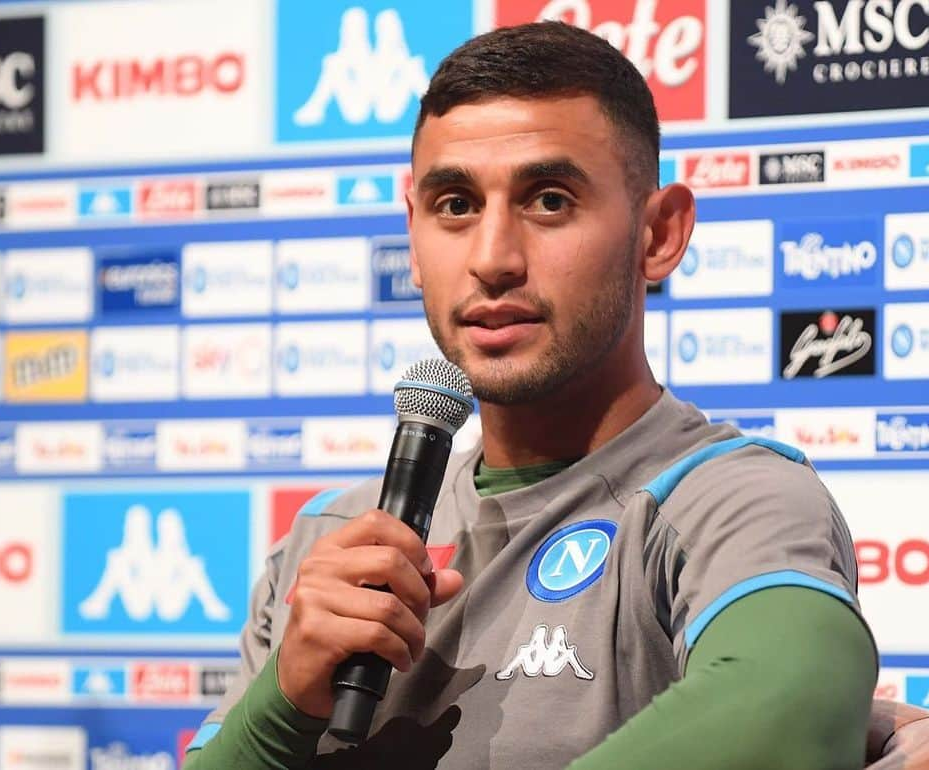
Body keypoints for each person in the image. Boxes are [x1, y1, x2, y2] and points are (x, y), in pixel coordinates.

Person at [183, 21, 877, 769]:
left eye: (549, 200)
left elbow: (787, 705)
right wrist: (280, 704)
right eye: (455, 206)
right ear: (413, 235)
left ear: (660, 234)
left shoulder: (732, 498)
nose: (492, 259)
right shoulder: (329, 535)